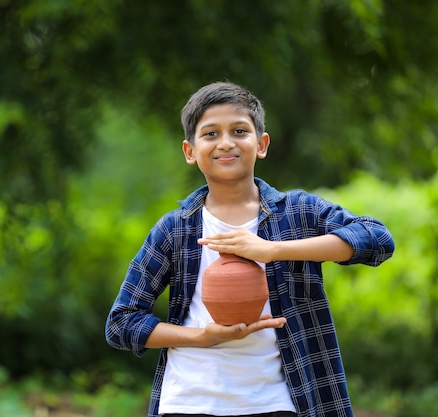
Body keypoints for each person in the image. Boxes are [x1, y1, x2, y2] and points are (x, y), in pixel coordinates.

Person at [105, 81, 395, 417]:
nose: (225, 143)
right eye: (211, 134)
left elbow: (377, 239)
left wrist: (272, 250)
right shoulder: (175, 229)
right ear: (190, 151)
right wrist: (202, 337)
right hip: (187, 402)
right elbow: (122, 323)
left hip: (278, 403)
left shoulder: (299, 211)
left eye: (239, 131)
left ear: (261, 144)